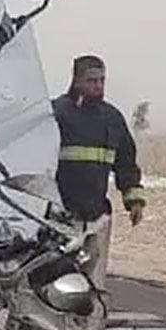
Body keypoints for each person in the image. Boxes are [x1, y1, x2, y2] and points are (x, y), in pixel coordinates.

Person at [51, 54, 146, 224]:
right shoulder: (56, 114)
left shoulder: (112, 119)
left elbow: (126, 164)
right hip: (57, 216)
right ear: (77, 80)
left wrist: (135, 201)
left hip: (97, 217)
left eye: (102, 80)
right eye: (91, 80)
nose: (98, 86)